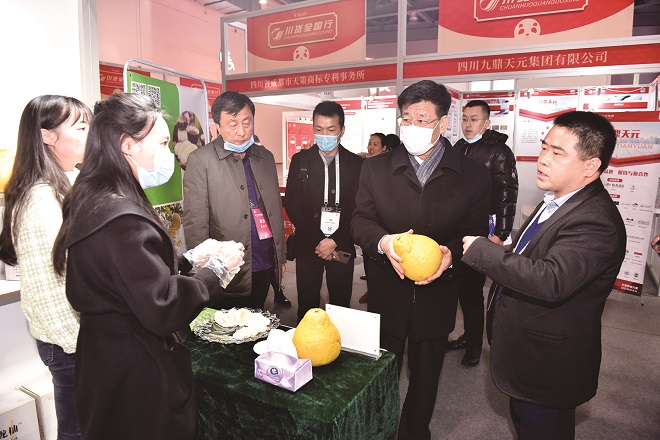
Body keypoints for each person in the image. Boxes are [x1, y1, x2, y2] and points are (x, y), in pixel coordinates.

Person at [51, 93, 243, 440]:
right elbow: (161, 306)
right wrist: (216, 270)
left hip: (105, 359)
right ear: (128, 145)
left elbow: (128, 274)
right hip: (134, 370)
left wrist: (188, 260)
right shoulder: (118, 214)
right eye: (162, 143)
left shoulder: (90, 194)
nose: (168, 153)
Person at [462, 111, 626, 440]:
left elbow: (551, 280)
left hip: (549, 365)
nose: (543, 159)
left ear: (591, 166)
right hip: (526, 352)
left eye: (558, 153)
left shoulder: (595, 220)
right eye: (544, 147)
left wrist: (481, 250)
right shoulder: (557, 200)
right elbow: (532, 253)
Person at [350, 80, 490, 440]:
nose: (411, 127)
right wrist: (384, 242)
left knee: (426, 376)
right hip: (387, 289)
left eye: (422, 119)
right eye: (406, 119)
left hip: (438, 293)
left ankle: (415, 432)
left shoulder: (473, 175)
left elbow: (474, 232)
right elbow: (360, 221)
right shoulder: (375, 169)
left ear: (442, 123)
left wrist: (451, 255)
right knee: (380, 373)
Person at [0, 95, 92, 440]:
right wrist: (79, 341)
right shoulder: (40, 198)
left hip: (76, 336)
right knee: (78, 429)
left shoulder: (66, 181)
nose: (90, 135)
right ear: (47, 136)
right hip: (69, 340)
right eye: (80, 127)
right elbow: (53, 285)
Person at [183, 92, 287, 310]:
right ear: (218, 126)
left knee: (257, 318)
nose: (241, 131)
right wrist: (204, 271)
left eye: (247, 123)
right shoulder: (201, 160)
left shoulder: (265, 157)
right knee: (227, 324)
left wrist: (280, 257)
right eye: (232, 124)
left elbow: (275, 210)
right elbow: (195, 221)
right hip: (226, 266)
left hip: (264, 259)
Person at [447, 99, 519, 366]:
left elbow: (507, 194)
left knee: (472, 289)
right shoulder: (459, 146)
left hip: (482, 230)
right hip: (457, 229)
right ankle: (466, 335)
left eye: (474, 119)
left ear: (487, 122)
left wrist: (500, 233)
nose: (468, 124)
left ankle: (475, 344)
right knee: (456, 287)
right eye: (465, 119)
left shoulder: (499, 152)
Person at [285, 101, 364, 322]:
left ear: (342, 130)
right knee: (307, 308)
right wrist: (319, 240)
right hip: (309, 245)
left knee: (341, 307)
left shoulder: (356, 164)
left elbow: (359, 208)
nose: (324, 135)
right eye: (319, 129)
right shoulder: (301, 161)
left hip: (342, 245)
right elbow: (293, 204)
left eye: (331, 129)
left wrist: (335, 240)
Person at [359, 132, 388, 304]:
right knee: (367, 258)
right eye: (370, 143)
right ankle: (371, 289)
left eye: (375, 144)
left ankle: (379, 293)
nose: (371, 147)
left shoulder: (388, 168)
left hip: (384, 225)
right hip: (367, 222)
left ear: (384, 148)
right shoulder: (364, 165)